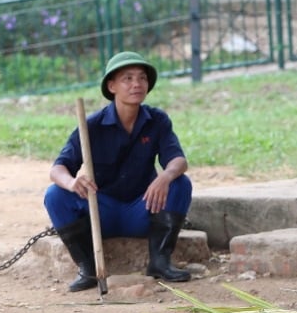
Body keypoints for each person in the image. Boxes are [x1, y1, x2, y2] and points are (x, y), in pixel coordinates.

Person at [43, 51, 192, 291]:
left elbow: (178, 160)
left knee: (180, 183)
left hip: (143, 209)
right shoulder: (91, 125)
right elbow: (58, 169)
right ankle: (88, 269)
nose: (136, 84)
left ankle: (160, 262)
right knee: (55, 195)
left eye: (142, 78)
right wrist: (72, 183)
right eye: (128, 78)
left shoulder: (157, 120)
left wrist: (165, 176)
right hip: (101, 214)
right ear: (111, 86)